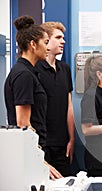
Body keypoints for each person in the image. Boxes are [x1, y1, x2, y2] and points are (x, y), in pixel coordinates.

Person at [4, 15, 63, 179]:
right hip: (29, 153)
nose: (48, 48)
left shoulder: (29, 72)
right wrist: (41, 161)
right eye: (45, 43)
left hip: (32, 150)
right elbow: (23, 124)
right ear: (32, 44)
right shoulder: (23, 75)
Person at [35, 22, 75, 177]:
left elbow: (69, 106)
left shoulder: (65, 69)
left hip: (62, 144)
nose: (63, 41)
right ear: (45, 41)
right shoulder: (35, 69)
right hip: (41, 144)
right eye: (58, 37)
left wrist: (71, 139)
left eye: (63, 38)